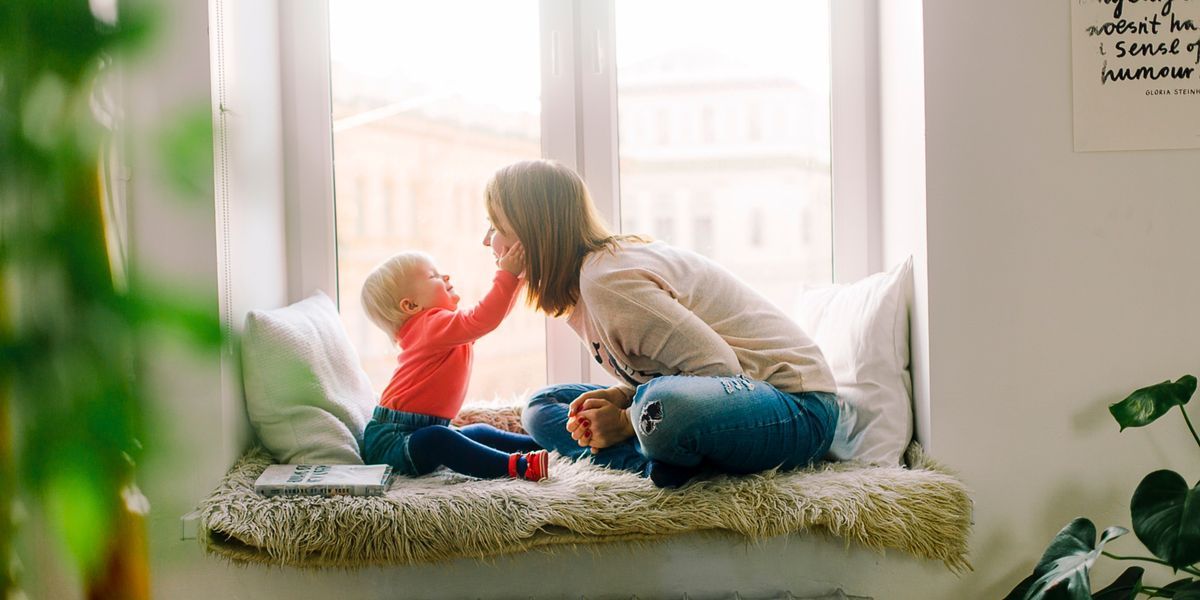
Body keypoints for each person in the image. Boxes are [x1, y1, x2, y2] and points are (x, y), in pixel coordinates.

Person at [482, 159, 843, 488]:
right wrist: (622, 396)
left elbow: (720, 369)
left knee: (660, 408)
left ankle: (657, 452)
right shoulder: (583, 287)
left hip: (797, 408)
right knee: (543, 406)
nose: (487, 240)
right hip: (720, 400)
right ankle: (659, 461)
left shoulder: (607, 281)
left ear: (534, 233)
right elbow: (676, 371)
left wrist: (624, 419)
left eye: (496, 226)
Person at [359, 246, 549, 481]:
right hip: (392, 441)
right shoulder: (430, 326)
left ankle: (543, 445)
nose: (445, 276)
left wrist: (517, 280)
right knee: (439, 439)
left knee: (478, 432)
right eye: (433, 276)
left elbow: (491, 319)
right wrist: (508, 276)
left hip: (418, 430)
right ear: (411, 306)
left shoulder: (439, 328)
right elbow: (484, 318)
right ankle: (517, 467)